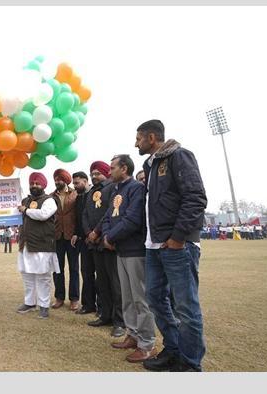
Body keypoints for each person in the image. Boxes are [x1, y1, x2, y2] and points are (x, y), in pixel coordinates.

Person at [135, 119, 207, 372]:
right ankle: (173, 350)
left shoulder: (179, 156)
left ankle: (190, 363)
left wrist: (178, 237)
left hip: (178, 245)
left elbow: (195, 198)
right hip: (154, 245)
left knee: (185, 307)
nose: (136, 143)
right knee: (155, 299)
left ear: (151, 138)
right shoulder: (151, 164)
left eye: (139, 138)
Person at [99, 155, 157, 363]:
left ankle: (146, 344)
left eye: (113, 167)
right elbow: (108, 217)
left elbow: (133, 219)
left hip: (135, 250)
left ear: (124, 169)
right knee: (128, 297)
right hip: (120, 250)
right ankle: (132, 335)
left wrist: (110, 237)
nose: (109, 171)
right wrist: (107, 235)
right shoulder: (116, 190)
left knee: (140, 299)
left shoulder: (136, 189)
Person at [84, 161, 126, 338]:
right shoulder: (91, 192)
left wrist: (97, 231)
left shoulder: (112, 188)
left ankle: (119, 322)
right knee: (101, 282)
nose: (94, 176)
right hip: (94, 244)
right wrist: (88, 232)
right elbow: (85, 215)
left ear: (106, 173)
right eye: (92, 174)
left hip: (108, 242)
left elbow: (110, 212)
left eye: (97, 173)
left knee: (115, 284)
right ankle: (105, 315)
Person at [16, 172, 59, 319]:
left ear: (43, 185)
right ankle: (29, 302)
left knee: (42, 277)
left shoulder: (49, 200)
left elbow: (43, 215)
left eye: (37, 183)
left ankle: (44, 306)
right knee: (27, 275)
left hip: (42, 244)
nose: (34, 186)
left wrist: (26, 210)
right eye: (32, 183)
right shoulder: (25, 200)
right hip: (26, 244)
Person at [51, 168, 80, 311]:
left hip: (72, 236)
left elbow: (80, 214)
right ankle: (59, 297)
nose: (57, 182)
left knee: (74, 269)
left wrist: (77, 233)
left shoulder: (76, 194)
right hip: (57, 237)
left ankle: (74, 299)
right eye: (55, 179)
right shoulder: (50, 197)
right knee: (57, 269)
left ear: (66, 180)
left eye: (60, 179)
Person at [71, 171, 96, 315]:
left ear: (85, 181)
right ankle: (88, 304)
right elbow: (79, 218)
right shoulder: (79, 198)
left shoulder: (95, 193)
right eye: (73, 183)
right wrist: (77, 233)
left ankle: (103, 306)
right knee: (86, 273)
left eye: (77, 183)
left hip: (96, 239)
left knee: (101, 275)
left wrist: (92, 234)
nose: (75, 186)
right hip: (83, 241)